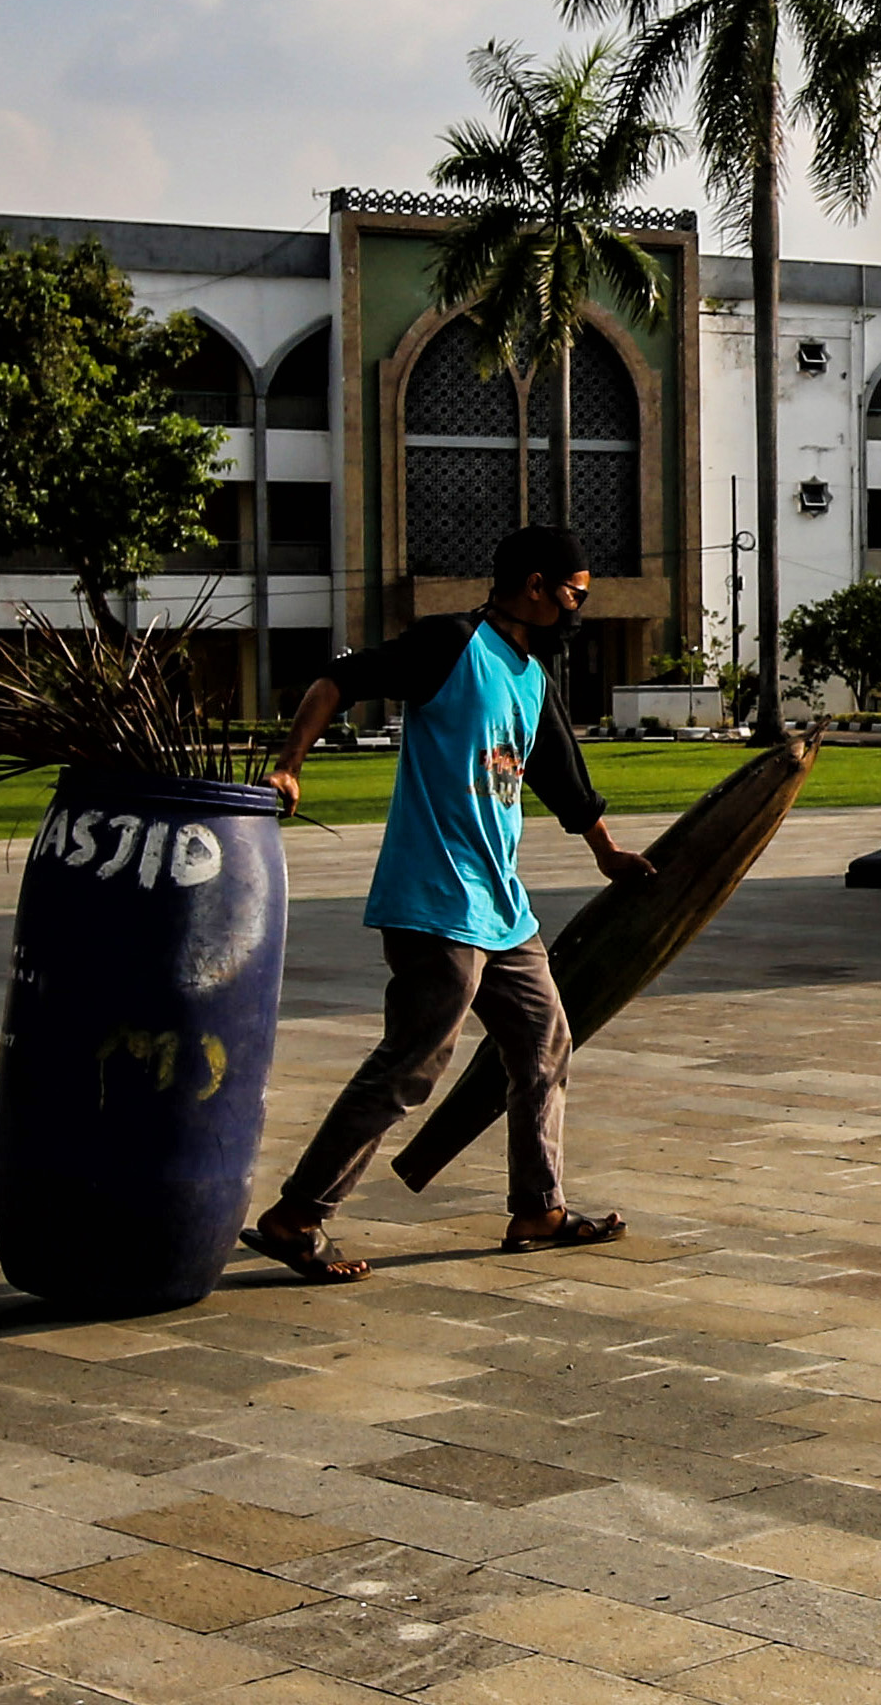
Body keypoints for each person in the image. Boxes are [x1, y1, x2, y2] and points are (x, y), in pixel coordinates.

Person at [241, 522, 653, 1282]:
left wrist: (605, 851)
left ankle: (539, 1207)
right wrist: (289, 768)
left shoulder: (530, 677)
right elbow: (337, 681)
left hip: (500, 906)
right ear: (535, 585)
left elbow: (562, 776)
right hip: (434, 896)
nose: (576, 608)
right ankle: (296, 1216)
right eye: (573, 593)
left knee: (543, 1041)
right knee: (414, 1062)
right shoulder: (451, 644)